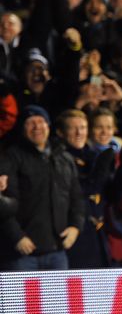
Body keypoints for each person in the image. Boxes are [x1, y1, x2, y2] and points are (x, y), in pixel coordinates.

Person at [0, 105, 84, 270]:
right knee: (21, 297)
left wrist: (75, 227)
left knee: (57, 297)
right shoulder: (11, 158)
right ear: (22, 128)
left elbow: (76, 198)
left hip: (57, 253)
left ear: (48, 125)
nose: (37, 127)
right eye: (30, 123)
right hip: (22, 254)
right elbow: (4, 204)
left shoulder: (64, 158)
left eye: (41, 121)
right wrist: (16, 236)